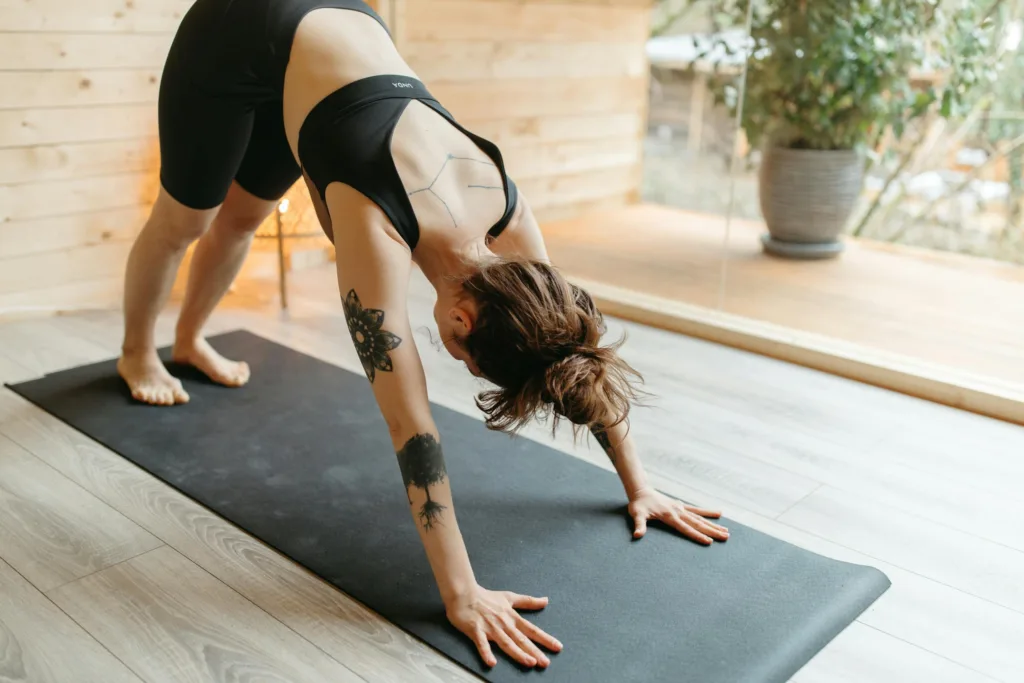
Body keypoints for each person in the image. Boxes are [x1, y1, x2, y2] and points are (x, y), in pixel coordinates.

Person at [117, 0, 730, 669]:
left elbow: (573, 349)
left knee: (245, 216)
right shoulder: (372, 221)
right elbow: (412, 429)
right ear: (463, 323)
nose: (460, 364)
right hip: (239, 26)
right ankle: (137, 352)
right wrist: (460, 590)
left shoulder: (511, 224)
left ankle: (189, 342)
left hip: (316, 48)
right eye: (468, 361)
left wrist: (639, 484)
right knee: (190, 219)